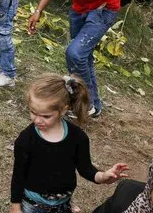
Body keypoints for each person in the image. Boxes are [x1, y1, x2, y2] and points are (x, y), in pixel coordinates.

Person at [10, 73, 129, 213]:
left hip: (63, 204)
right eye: (33, 112)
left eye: (46, 116)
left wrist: (103, 176)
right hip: (32, 205)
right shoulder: (26, 140)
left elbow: (85, 168)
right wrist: (16, 207)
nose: (37, 120)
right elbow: (18, 175)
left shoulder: (78, 138)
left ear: (63, 110)